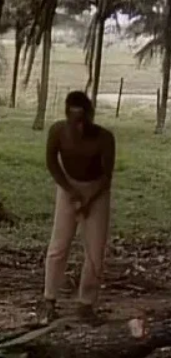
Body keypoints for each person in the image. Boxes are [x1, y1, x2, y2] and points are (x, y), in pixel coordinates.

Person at [41, 91, 115, 325]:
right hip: (68, 186)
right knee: (58, 245)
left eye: (83, 121)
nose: (80, 127)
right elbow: (52, 163)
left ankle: (86, 304)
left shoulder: (104, 138)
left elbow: (107, 177)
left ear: (91, 116)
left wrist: (88, 202)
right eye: (75, 122)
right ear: (67, 118)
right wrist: (70, 192)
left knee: (95, 251)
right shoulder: (57, 132)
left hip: (97, 191)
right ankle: (49, 300)